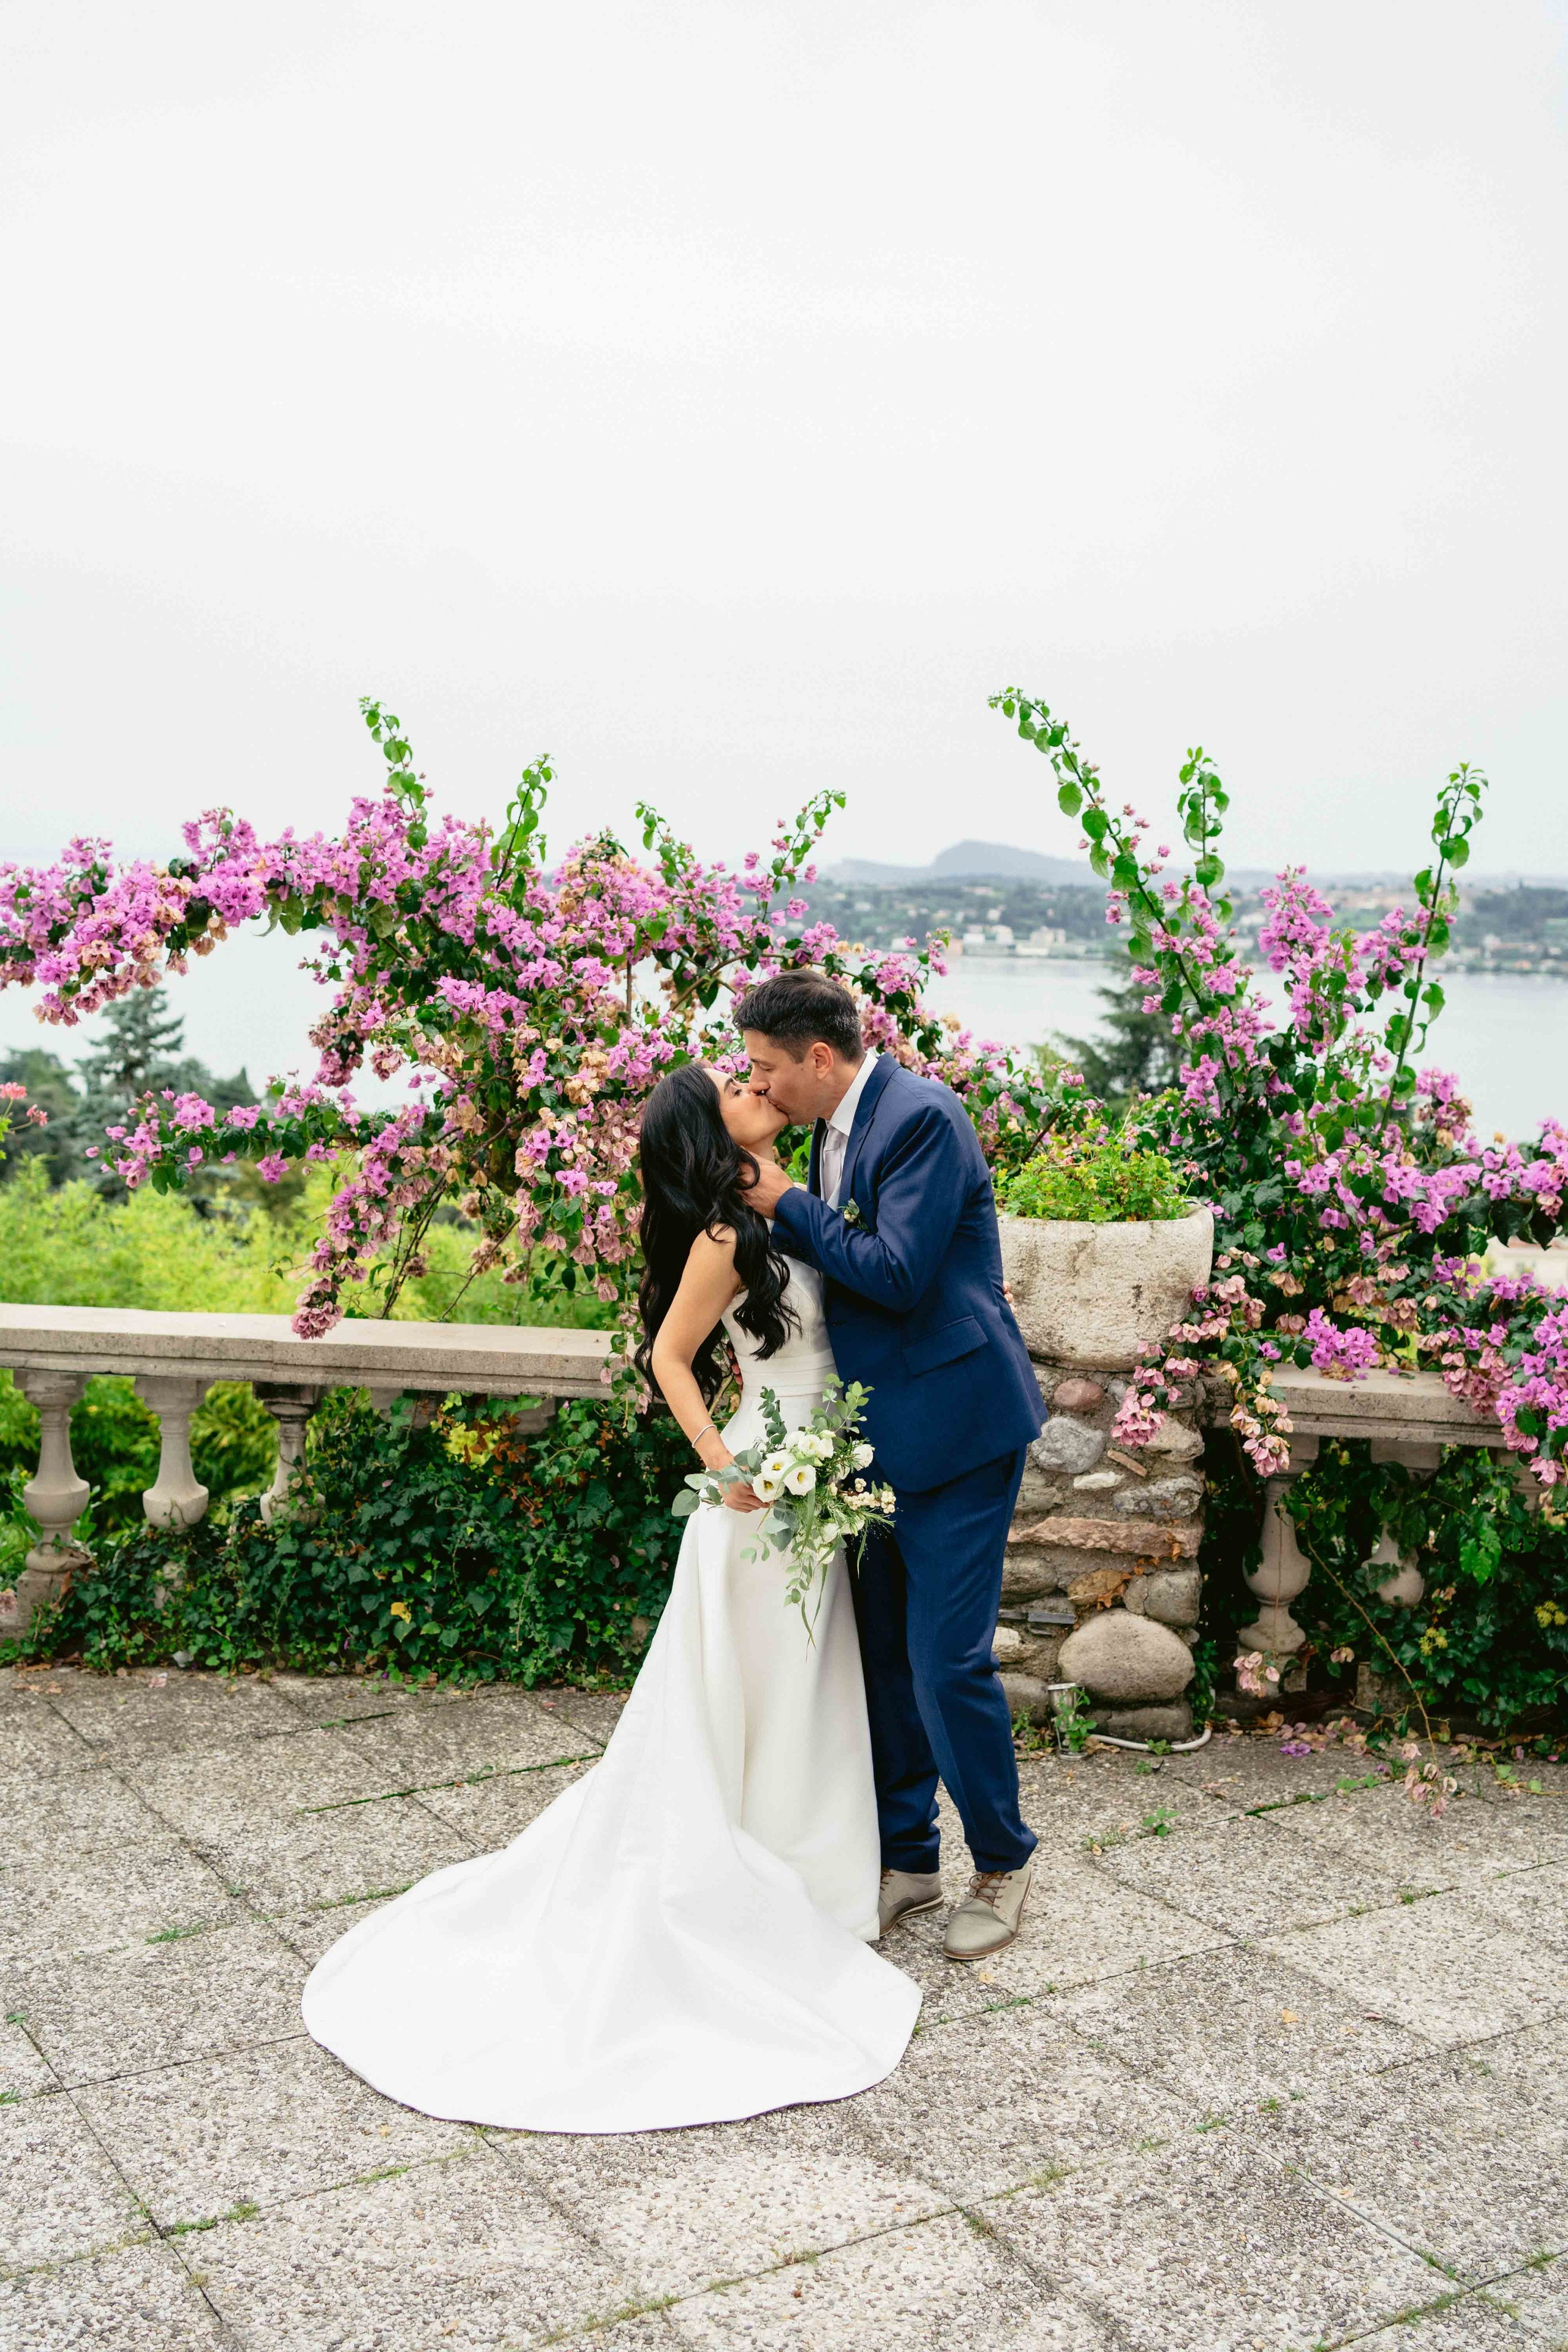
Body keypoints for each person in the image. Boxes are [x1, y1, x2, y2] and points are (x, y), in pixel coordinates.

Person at [301, 1060, 920, 2132]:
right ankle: (749, 1884)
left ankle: (810, 1879)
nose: (756, 1083)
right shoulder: (729, 1237)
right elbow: (669, 1356)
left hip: (827, 1477)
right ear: (709, 1130)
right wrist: (726, 1465)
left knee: (809, 1684)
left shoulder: (808, 1195)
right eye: (738, 1083)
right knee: (762, 1683)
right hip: (766, 1492)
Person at [736, 969, 1046, 1962]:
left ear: (819, 1059)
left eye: (769, 1069)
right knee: (877, 1664)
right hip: (864, 1443)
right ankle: (907, 1859)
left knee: (945, 1663)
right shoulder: (825, 1128)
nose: (763, 1087)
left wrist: (783, 1201)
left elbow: (902, 1278)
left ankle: (1003, 1861)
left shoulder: (921, 1117)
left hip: (955, 1429)